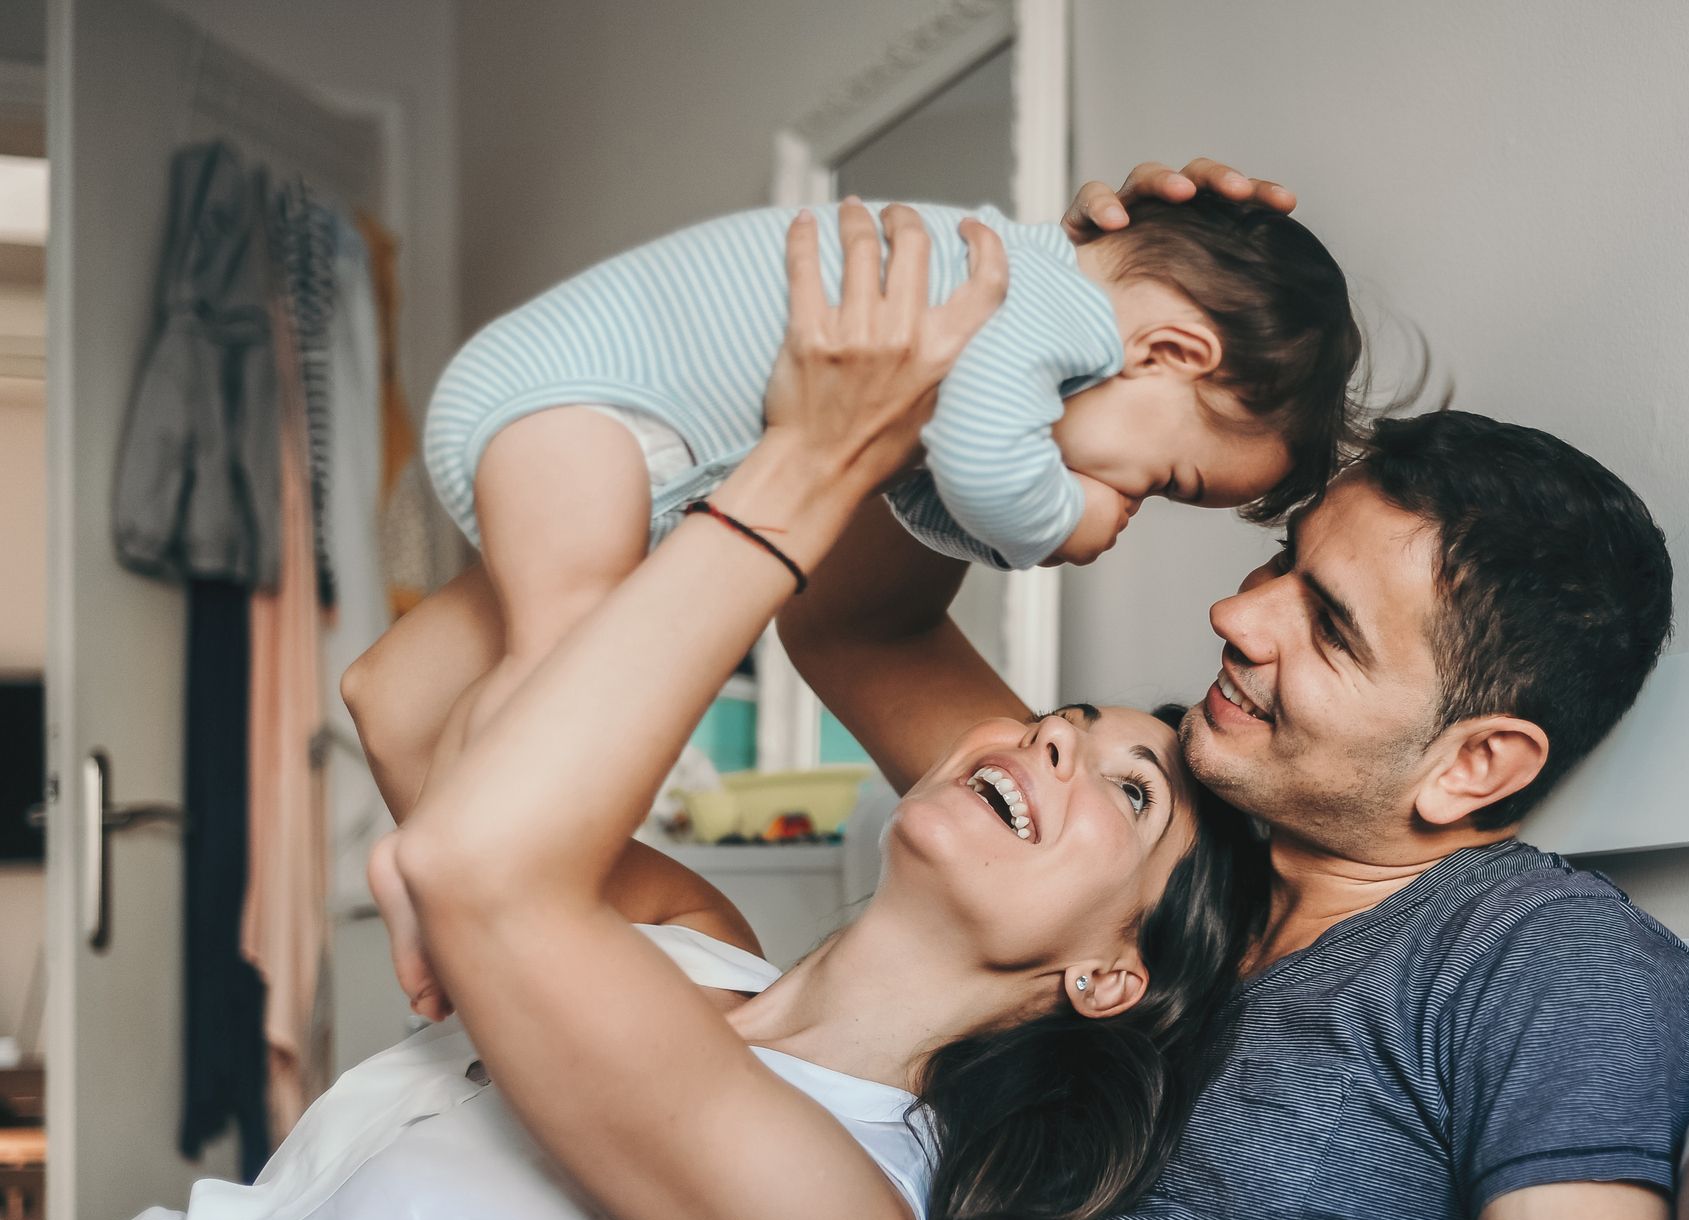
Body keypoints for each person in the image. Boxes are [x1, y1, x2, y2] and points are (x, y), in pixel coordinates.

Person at [374, 158, 1689, 1220]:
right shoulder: (1131, 848)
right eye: (1275, 569)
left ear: (1473, 764)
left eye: (1324, 625)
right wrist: (1070, 298)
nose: (1234, 619)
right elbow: (857, 625)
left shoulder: (1539, 961)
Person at [0, 202, 1267, 1220]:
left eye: (1127, 787)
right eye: (1062, 721)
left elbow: (473, 863)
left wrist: (806, 458)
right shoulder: (682, 926)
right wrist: (1024, 311)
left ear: (1110, 973)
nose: (1049, 738)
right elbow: (400, 697)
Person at [346, 188, 1359, 1027]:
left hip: (584, 421)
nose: (1237, 613)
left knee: (556, 653)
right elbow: (952, 493)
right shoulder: (1032, 302)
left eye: (1333, 620)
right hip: (584, 413)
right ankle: (445, 833)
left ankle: (445, 834)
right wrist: (1062, 512)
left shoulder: (844, 1182)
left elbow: (922, 497)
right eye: (1167, 480)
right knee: (558, 650)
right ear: (1171, 351)